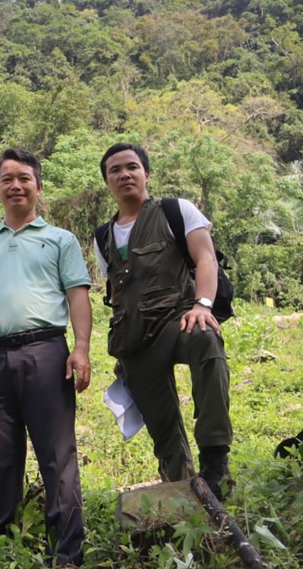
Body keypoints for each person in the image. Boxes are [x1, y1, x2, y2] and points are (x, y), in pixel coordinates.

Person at [0, 148, 91, 569]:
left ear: (38, 186)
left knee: (57, 455)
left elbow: (78, 295)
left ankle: (68, 555)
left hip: (46, 353)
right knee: (0, 455)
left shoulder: (60, 239)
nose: (15, 185)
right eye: (6, 179)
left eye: (24, 178)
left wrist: (80, 349)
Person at [95, 143, 234, 499]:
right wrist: (120, 355)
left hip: (177, 321)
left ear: (146, 174)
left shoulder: (175, 210)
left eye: (132, 167)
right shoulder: (102, 236)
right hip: (136, 343)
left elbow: (206, 258)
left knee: (206, 339)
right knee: (164, 431)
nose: (124, 174)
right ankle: (186, 493)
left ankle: (215, 461)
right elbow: (118, 295)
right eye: (115, 170)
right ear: (107, 182)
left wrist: (202, 305)